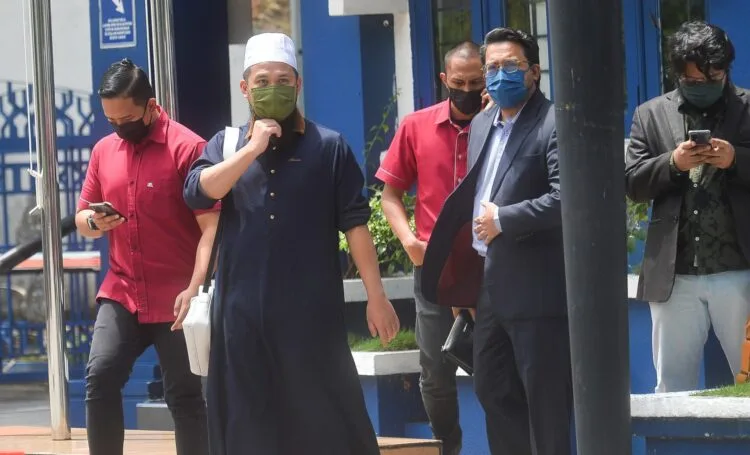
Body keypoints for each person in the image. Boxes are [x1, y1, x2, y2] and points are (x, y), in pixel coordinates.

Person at [182, 33, 400, 455]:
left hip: (311, 319)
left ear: (298, 84)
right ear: (244, 88)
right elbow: (198, 192)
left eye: (283, 79)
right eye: (262, 81)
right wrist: (252, 149)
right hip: (241, 320)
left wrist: (377, 296)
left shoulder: (329, 146)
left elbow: (356, 225)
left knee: (325, 426)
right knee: (247, 430)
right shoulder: (226, 145)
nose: (273, 88)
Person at [419, 28, 571, 455]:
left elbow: (567, 198)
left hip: (538, 289)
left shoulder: (555, 122)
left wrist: (504, 218)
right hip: (489, 287)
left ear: (534, 72)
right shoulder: (484, 122)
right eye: (493, 68)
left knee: (545, 402)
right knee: (491, 388)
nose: (500, 75)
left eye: (511, 66)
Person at [75, 59, 216, 455]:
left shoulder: (188, 148)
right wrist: (94, 221)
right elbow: (82, 216)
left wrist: (195, 288)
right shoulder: (104, 151)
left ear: (151, 106)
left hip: (177, 296)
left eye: (127, 119)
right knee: (100, 376)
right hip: (123, 291)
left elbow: (212, 227)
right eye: (111, 120)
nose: (120, 127)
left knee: (185, 396)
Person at [625, 21, 750, 393]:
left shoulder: (747, 107)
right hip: (674, 274)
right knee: (672, 388)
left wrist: (736, 160)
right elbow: (632, 183)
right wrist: (672, 163)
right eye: (694, 80)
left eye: (715, 78)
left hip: (741, 269)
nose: (705, 86)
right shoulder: (650, 114)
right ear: (677, 74)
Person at [376, 41, 485, 455]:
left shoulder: (501, 125)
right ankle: (447, 449)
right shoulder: (416, 126)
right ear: (444, 80)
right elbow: (390, 195)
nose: (467, 90)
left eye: (476, 82)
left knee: (496, 367)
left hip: (490, 265)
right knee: (435, 372)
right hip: (434, 267)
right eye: (459, 82)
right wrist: (408, 241)